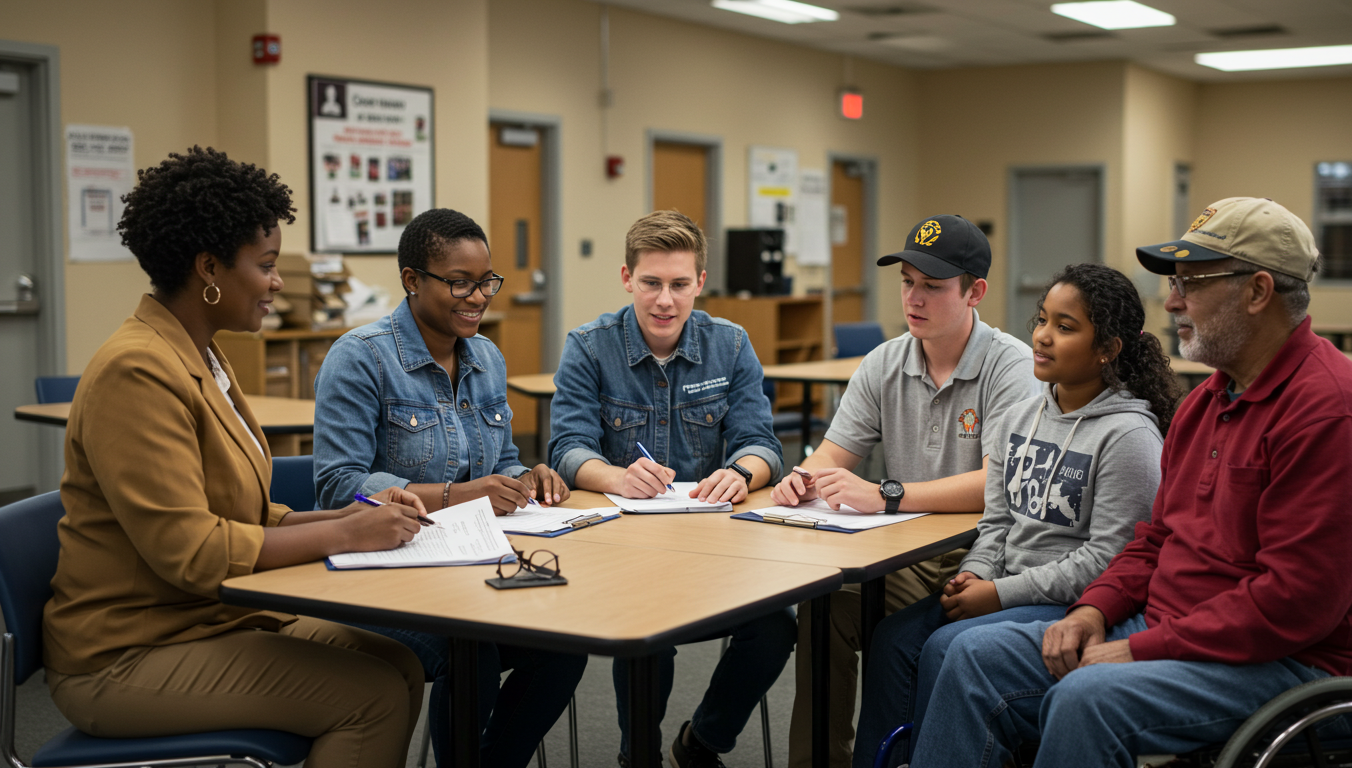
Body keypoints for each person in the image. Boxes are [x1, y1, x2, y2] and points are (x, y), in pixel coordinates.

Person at [911, 197, 1352, 768]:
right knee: (972, 657)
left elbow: (1295, 605)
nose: (1171, 301)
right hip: (1176, 632)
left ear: (1258, 291)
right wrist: (1093, 611)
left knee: (1088, 700)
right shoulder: (1207, 403)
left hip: (1296, 667)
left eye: (1191, 283)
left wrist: (1141, 648)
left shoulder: (1333, 415)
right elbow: (1154, 539)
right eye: (1175, 284)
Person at [42, 146, 427, 767]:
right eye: (267, 265)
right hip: (124, 654)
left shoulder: (201, 354)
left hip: (204, 620)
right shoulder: (136, 370)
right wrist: (346, 536)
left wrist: (351, 518)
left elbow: (240, 514)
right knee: (372, 698)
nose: (277, 283)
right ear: (209, 267)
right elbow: (194, 552)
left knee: (397, 663)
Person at [855, 263, 1180, 767]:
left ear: (1107, 349)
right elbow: (998, 522)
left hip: (1069, 601)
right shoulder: (1019, 418)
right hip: (1003, 585)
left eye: (1065, 327)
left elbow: (1109, 560)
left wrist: (999, 594)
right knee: (894, 640)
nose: (1043, 336)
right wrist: (975, 572)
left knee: (947, 646)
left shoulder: (1128, 437)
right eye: (1042, 319)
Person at [314, 208, 586, 768]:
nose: (478, 297)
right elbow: (338, 486)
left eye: (486, 281)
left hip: (469, 566)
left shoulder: (486, 356)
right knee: (472, 652)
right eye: (460, 283)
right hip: (382, 574)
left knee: (564, 643)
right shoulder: (360, 357)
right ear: (412, 280)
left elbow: (500, 460)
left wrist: (525, 478)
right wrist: (455, 496)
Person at [769, 215, 1038, 768]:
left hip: (986, 555)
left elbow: (997, 485)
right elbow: (833, 453)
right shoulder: (885, 362)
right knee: (826, 605)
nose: (914, 298)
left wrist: (887, 494)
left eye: (932, 286)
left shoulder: (1010, 366)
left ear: (975, 293)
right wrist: (803, 478)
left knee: (900, 637)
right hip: (904, 552)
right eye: (907, 282)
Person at [548, 210, 791, 768]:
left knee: (775, 627)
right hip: (620, 551)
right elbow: (567, 448)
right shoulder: (589, 346)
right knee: (648, 633)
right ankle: (639, 756)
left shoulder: (730, 344)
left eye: (679, 284)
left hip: (713, 549)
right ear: (627, 278)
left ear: (700, 282)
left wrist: (741, 473)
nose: (665, 300)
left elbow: (761, 443)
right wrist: (615, 476)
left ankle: (702, 741)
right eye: (651, 283)